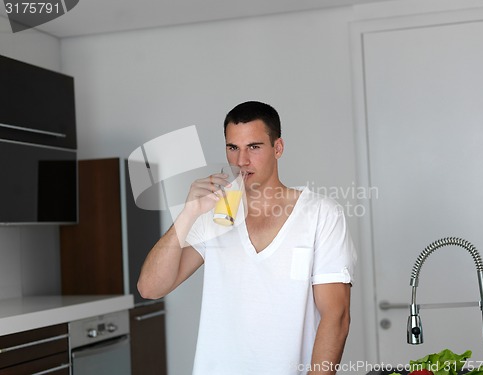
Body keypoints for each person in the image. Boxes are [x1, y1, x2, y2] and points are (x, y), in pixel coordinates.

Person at [137, 101, 357, 375]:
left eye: (254, 147)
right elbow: (150, 288)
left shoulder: (321, 214)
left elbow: (336, 316)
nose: (241, 160)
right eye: (233, 148)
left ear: (278, 148)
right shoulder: (215, 214)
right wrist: (188, 213)